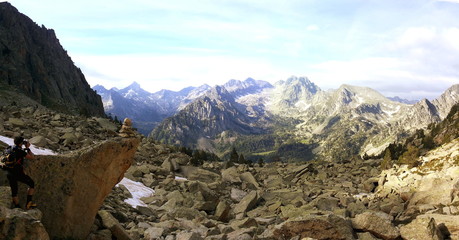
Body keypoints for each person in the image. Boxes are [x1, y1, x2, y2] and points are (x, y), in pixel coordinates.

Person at [5, 136, 37, 209]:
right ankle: (29, 203)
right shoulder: (20, 151)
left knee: (14, 191)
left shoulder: (9, 148)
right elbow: (32, 157)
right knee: (31, 183)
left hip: (8, 172)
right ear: (21, 143)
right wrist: (27, 148)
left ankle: (17, 207)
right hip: (18, 173)